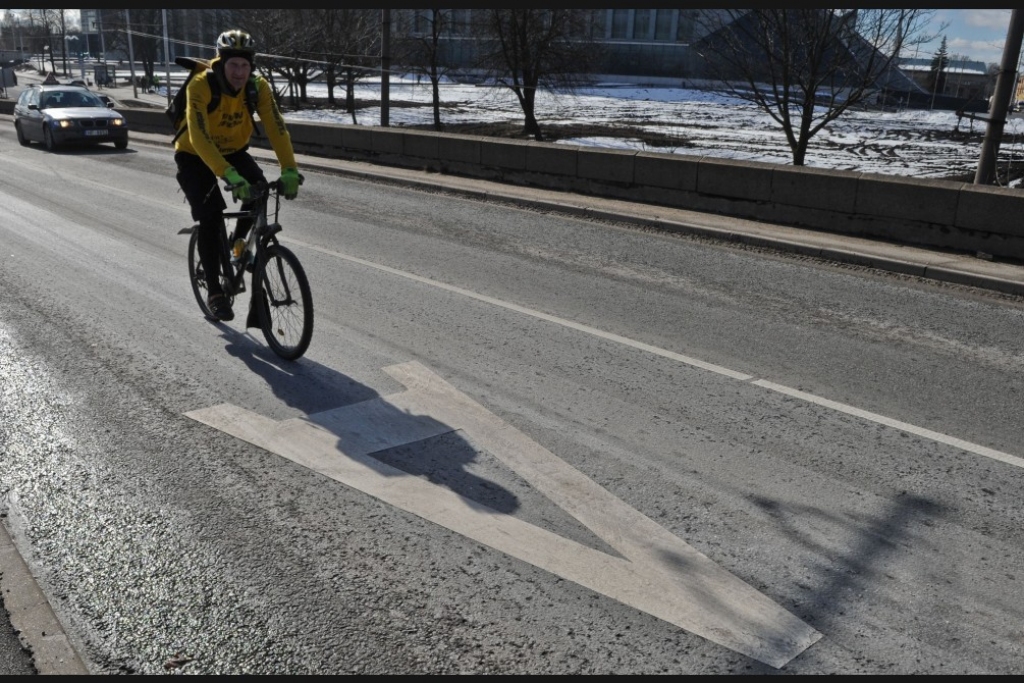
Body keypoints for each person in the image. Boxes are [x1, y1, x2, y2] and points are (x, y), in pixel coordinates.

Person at [174, 29, 301, 324]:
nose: (239, 72)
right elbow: (199, 136)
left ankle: (238, 243)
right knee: (211, 216)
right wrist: (228, 174)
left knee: (259, 189)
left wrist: (289, 169)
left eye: (245, 65)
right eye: (233, 65)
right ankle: (215, 292)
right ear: (221, 62)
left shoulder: (258, 87)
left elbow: (277, 128)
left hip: (233, 150)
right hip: (194, 154)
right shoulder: (201, 85)